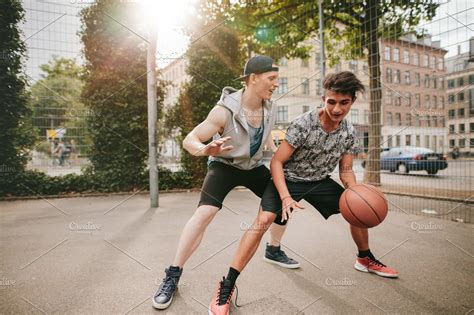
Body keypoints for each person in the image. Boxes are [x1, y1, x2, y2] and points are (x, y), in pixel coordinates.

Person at [209, 71, 399, 314]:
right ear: (323, 98)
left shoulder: (349, 132)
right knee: (263, 220)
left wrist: (356, 193)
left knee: (356, 207)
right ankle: (227, 286)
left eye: (344, 102)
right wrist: (286, 196)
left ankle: (365, 258)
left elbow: (347, 170)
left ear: (352, 101)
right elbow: (277, 162)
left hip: (319, 181)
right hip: (289, 180)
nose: (337, 108)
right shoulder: (304, 123)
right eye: (331, 101)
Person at [152, 55, 299, 310]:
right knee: (205, 212)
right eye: (272, 78)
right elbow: (190, 139)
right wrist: (205, 150)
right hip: (225, 165)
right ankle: (172, 274)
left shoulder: (271, 108)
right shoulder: (223, 111)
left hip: (252, 167)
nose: (276, 84)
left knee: (282, 201)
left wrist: (280, 164)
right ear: (253, 79)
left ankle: (273, 249)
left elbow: (266, 142)